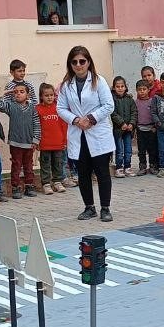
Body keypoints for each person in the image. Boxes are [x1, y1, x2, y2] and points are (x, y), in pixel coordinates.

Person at [57, 47, 115, 222]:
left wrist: (90, 118)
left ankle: (105, 208)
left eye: (82, 61)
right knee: (83, 174)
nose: (78, 65)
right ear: (70, 64)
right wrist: (76, 120)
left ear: (88, 62)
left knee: (102, 172)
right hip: (78, 134)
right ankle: (89, 207)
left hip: (97, 132)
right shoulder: (67, 85)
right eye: (74, 62)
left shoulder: (99, 81)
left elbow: (108, 105)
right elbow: (60, 108)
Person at [0, 81, 40, 198]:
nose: (18, 94)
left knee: (28, 165)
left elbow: (37, 124)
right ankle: (16, 187)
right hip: (15, 143)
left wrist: (36, 140)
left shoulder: (32, 108)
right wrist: (5, 93)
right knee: (16, 165)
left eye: (21, 92)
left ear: (28, 95)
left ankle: (29, 186)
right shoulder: (11, 106)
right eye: (15, 92)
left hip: (29, 143)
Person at [36, 83, 68, 193]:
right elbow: (36, 127)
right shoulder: (38, 109)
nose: (50, 97)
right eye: (46, 95)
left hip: (58, 143)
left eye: (51, 95)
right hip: (44, 144)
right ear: (41, 96)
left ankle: (57, 182)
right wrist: (37, 142)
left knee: (58, 163)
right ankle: (46, 184)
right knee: (45, 164)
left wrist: (65, 140)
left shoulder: (59, 108)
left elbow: (64, 125)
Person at [110, 76, 137, 177]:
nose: (120, 88)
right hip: (118, 130)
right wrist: (122, 123)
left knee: (128, 150)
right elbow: (113, 113)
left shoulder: (129, 99)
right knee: (119, 150)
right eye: (117, 86)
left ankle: (127, 167)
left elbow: (134, 112)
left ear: (125, 87)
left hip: (129, 130)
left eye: (122, 86)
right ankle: (119, 168)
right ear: (114, 88)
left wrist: (131, 124)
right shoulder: (112, 100)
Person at [134, 79, 158, 176]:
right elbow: (134, 116)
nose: (142, 91)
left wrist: (155, 126)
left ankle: (152, 166)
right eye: (140, 89)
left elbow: (156, 114)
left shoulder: (152, 101)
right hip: (140, 129)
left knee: (152, 149)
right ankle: (142, 166)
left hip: (151, 129)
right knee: (141, 150)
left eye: (144, 89)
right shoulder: (135, 102)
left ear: (149, 90)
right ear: (136, 90)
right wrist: (135, 129)